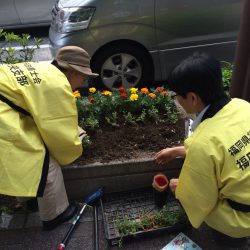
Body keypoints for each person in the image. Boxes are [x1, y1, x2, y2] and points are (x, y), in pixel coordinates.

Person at [155, 52, 250, 242]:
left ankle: (229, 240)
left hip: (242, 218)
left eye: (176, 96)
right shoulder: (242, 106)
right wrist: (178, 151)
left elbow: (200, 198)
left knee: (186, 192)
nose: (176, 101)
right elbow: (225, 147)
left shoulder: (202, 143)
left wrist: (178, 188)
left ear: (192, 98)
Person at [0, 46, 98, 230]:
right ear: (71, 72)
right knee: (43, 161)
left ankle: (29, 199)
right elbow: (57, 132)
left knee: (23, 153)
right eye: (83, 77)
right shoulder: (58, 84)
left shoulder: (45, 70)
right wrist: (76, 143)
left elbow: (40, 114)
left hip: (5, 113)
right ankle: (55, 214)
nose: (83, 82)